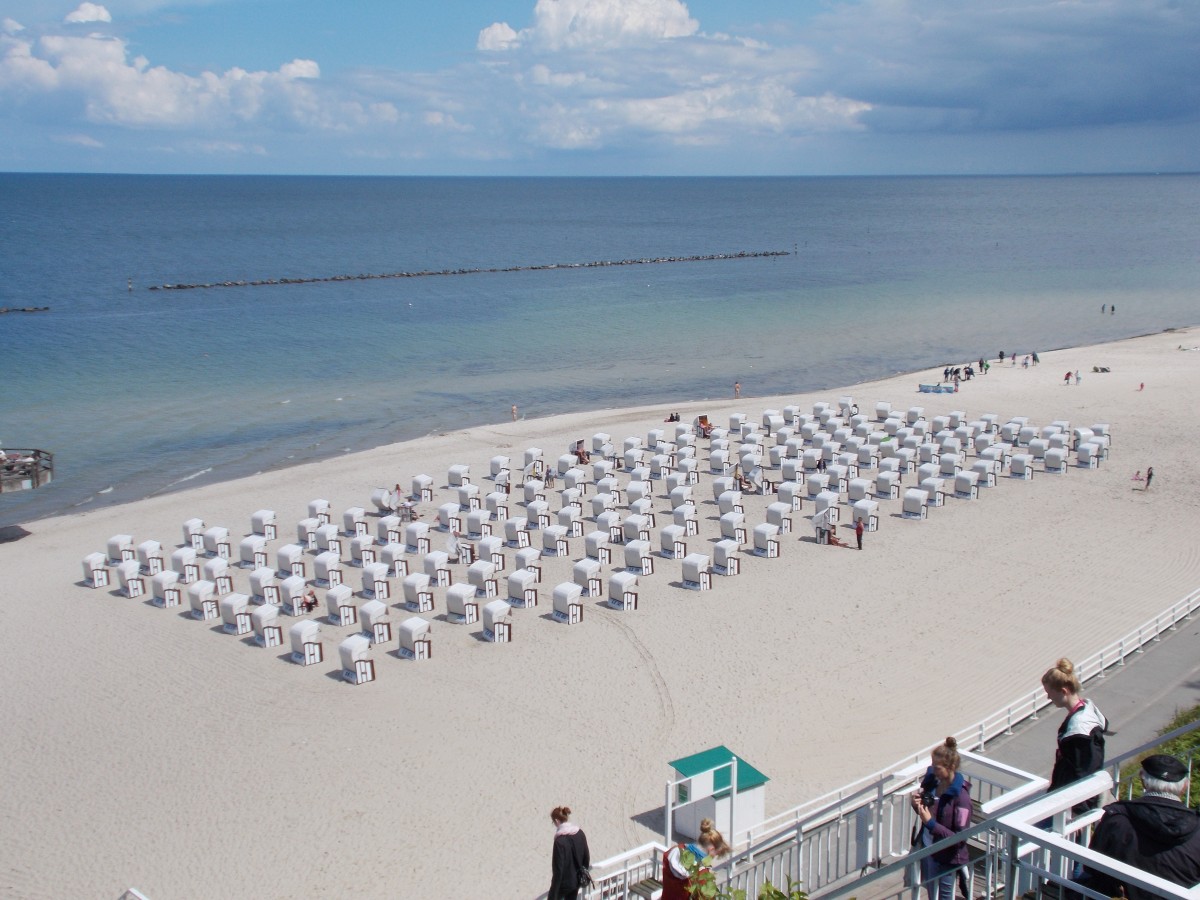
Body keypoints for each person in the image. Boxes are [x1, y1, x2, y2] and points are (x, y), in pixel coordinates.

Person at [1079, 754, 1200, 900]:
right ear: (1184, 786)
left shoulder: (1117, 820)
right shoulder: (1197, 828)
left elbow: (1093, 867)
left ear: (1143, 779)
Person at [1042, 658, 1108, 812]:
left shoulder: (1081, 730)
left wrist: (1079, 809)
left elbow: (1085, 771)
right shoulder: (1086, 713)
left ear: (1063, 691)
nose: (1048, 698)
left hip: (1073, 804)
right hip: (1069, 796)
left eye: (1049, 693)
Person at [910, 737, 972, 900]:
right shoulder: (934, 782)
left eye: (937, 768)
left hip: (947, 858)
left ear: (950, 767)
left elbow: (959, 838)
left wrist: (930, 823)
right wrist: (917, 805)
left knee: (944, 897)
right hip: (929, 848)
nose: (932, 771)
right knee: (932, 895)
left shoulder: (961, 798)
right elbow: (927, 811)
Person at [661, 818, 731, 900]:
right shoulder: (702, 876)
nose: (713, 857)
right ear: (711, 849)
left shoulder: (673, 852)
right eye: (715, 854)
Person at [548, 806, 590, 900]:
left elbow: (558, 870)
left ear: (557, 821)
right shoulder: (580, 833)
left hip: (564, 885)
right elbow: (586, 858)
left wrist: (553, 893)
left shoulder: (559, 841)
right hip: (577, 881)